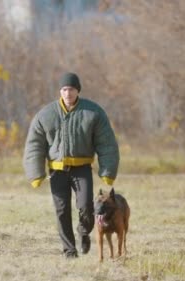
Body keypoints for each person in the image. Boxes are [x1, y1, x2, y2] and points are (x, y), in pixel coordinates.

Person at [23, 72, 120, 258]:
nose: (68, 93)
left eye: (72, 89)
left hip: (82, 168)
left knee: (86, 207)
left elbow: (106, 142)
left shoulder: (93, 112)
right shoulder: (46, 114)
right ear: (60, 91)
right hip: (57, 171)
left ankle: (84, 232)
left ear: (78, 91)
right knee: (62, 210)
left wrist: (107, 169)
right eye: (65, 89)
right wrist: (35, 173)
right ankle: (69, 250)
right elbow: (35, 144)